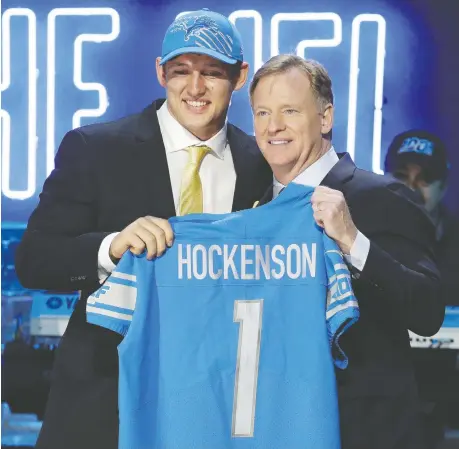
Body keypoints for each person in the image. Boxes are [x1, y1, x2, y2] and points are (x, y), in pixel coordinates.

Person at [15, 9, 272, 449]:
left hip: (219, 403)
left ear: (240, 76)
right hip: (106, 401)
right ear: (160, 72)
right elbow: (35, 260)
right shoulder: (95, 149)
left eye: (212, 73)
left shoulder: (261, 164)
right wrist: (111, 247)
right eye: (180, 71)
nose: (195, 88)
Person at [249, 54, 444, 449]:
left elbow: (427, 312)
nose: (274, 127)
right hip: (274, 426)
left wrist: (353, 240)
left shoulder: (383, 198)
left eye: (289, 110)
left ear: (325, 118)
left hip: (363, 431)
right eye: (262, 112)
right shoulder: (250, 207)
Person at [385, 130, 459, 446]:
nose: (413, 188)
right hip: (382, 401)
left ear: (444, 183)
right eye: (402, 176)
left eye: (425, 178)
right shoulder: (360, 236)